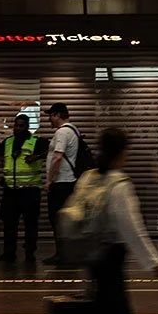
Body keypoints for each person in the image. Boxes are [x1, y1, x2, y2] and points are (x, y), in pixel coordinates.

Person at [30, 126, 158, 314]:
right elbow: (131, 227)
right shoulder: (119, 184)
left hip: (91, 255)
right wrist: (153, 261)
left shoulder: (89, 177)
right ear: (122, 152)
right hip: (111, 256)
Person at [0, 112, 44, 266]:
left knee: (31, 224)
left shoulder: (37, 141)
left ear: (28, 127)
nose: (17, 128)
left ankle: (30, 253)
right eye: (16, 125)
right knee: (9, 224)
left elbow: (51, 150)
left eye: (21, 126)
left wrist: (37, 156)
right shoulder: (8, 142)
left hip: (30, 190)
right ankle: (9, 253)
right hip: (10, 190)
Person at [42, 102, 93, 251]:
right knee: (66, 218)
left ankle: (62, 254)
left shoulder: (62, 132)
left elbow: (57, 157)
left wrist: (49, 181)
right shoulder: (73, 130)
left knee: (57, 219)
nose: (49, 119)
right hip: (68, 181)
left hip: (61, 182)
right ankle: (66, 252)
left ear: (57, 115)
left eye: (50, 116)